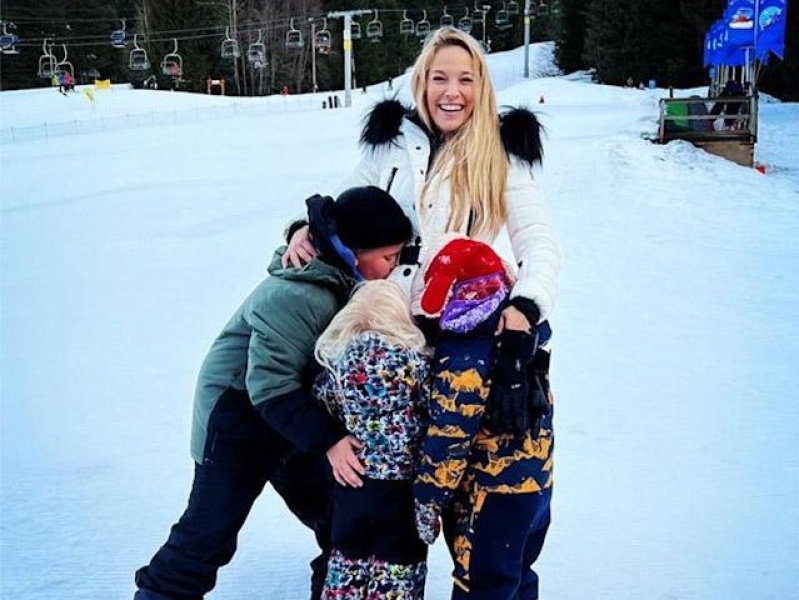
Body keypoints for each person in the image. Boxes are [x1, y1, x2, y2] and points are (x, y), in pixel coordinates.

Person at [284, 27, 560, 599]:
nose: (451, 92)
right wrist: (303, 232)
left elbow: (537, 242)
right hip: (388, 349)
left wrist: (525, 305)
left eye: (465, 79)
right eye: (439, 78)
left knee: (474, 512)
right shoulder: (390, 142)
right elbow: (343, 209)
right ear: (421, 82)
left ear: (481, 86)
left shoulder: (501, 152)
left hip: (460, 346)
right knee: (373, 501)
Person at [132, 186, 413, 600]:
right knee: (209, 534)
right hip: (237, 418)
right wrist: (329, 440)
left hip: (295, 417)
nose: (394, 267)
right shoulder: (298, 295)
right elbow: (269, 385)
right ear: (354, 251)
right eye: (389, 257)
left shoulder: (344, 279)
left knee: (339, 523)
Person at [412, 236, 553, 600]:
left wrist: (428, 499)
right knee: (518, 574)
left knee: (481, 586)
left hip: (489, 499)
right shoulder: (524, 340)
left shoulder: (466, 353)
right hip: (535, 488)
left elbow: (449, 436)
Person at [313, 279, 431, 599]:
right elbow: (431, 409)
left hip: (353, 479)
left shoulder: (338, 360)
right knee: (399, 565)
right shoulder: (416, 362)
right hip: (401, 487)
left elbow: (324, 399)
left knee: (348, 560)